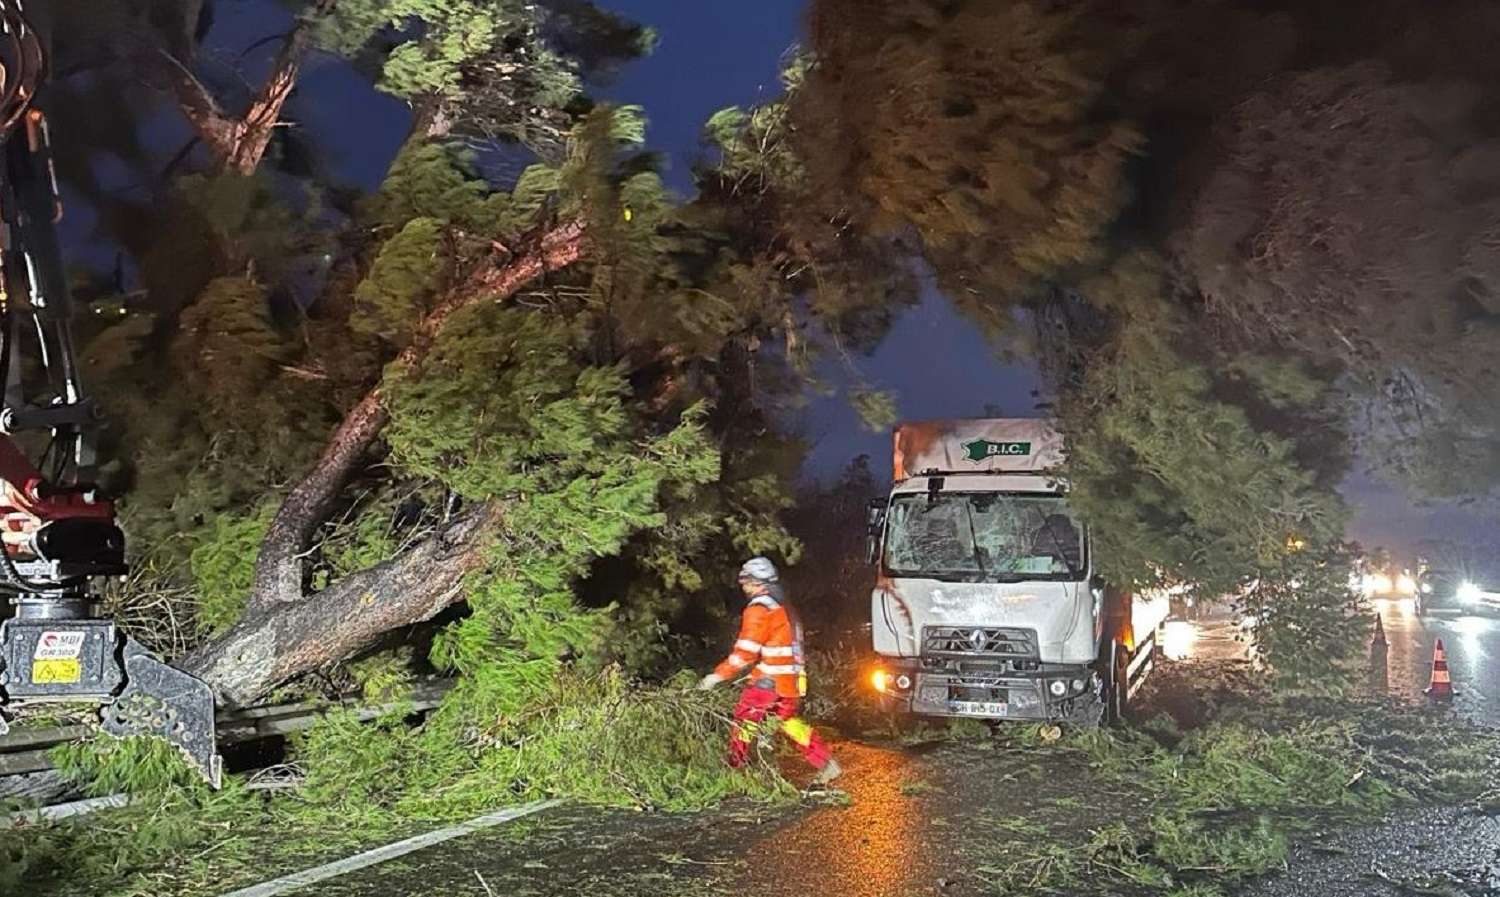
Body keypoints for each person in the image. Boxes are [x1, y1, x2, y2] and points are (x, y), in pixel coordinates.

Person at [699, 557, 842, 784]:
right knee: (788, 722)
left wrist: (717, 675)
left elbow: (746, 651)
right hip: (792, 680)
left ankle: (735, 769)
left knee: (744, 720)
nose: (744, 587)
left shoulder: (759, 609)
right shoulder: (785, 608)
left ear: (757, 583)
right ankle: (825, 761)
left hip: (770, 681)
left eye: (746, 582)